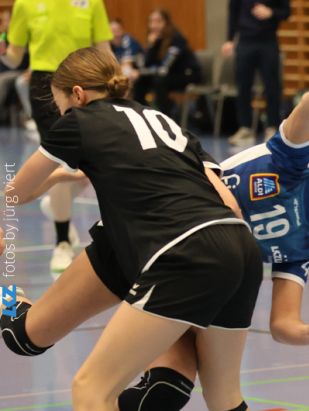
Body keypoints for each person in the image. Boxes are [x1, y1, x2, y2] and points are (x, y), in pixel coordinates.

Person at [116, 68, 309, 411]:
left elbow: (282, 323)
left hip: (204, 287)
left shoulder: (305, 243)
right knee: (118, 382)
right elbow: (307, 112)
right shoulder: (293, 160)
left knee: (165, 392)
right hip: (162, 242)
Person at [1, 47, 262, 411]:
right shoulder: (165, 121)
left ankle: (5, 294)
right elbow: (229, 203)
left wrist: (54, 176)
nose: (60, 115)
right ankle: (8, 297)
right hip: (240, 248)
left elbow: (15, 193)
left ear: (77, 94)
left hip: (178, 251)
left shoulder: (79, 121)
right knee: (224, 398)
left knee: (91, 390)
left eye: (59, 106)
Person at [0, 0, 113, 273]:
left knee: (92, 163)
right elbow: (14, 56)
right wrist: (3, 50)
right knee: (62, 161)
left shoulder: (92, 3)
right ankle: (62, 241)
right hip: (46, 87)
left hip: (88, 81)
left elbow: (105, 50)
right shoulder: (25, 5)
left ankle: (58, 203)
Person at [223, 0, 290, 146]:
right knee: (243, 87)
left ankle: (272, 127)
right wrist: (229, 40)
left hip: (268, 42)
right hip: (245, 42)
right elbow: (233, 13)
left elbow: (286, 12)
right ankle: (245, 128)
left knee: (272, 87)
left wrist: (271, 12)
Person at [132, 9, 201, 117]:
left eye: (158, 21)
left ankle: (167, 116)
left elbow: (165, 68)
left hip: (187, 74)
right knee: (141, 81)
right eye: (151, 22)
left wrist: (141, 72)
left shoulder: (177, 39)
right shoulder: (156, 41)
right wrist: (150, 47)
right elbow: (146, 65)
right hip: (168, 75)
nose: (154, 25)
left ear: (167, 23)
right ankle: (140, 115)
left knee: (159, 82)